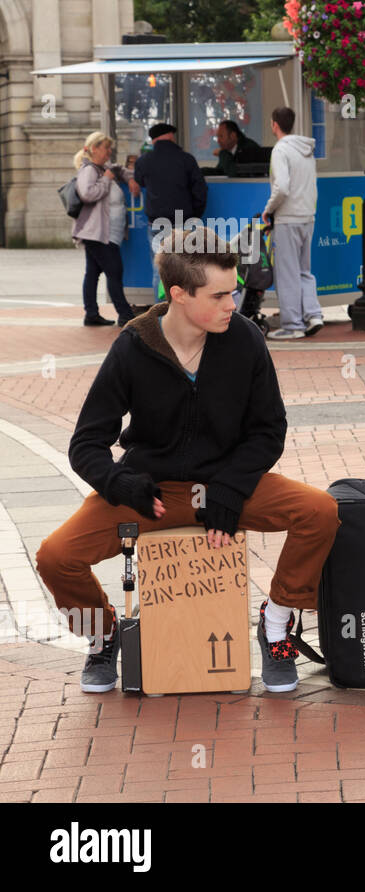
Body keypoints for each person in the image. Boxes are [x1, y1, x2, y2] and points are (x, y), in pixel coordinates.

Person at [35, 229, 340, 694]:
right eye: (219, 295)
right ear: (178, 294)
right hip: (149, 495)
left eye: (234, 291)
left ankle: (275, 624)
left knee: (320, 511)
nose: (231, 304)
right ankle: (104, 635)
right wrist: (121, 484)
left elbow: (268, 430)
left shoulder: (245, 340)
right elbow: (86, 443)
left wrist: (232, 487)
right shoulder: (133, 346)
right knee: (56, 557)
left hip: (224, 486)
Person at [263, 107, 324, 340]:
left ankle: (293, 325)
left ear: (274, 125)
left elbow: (282, 186)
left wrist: (269, 210)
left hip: (287, 218)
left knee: (287, 273)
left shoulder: (280, 150)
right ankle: (313, 314)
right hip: (307, 216)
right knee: (304, 271)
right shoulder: (306, 150)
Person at [71, 132, 136, 327]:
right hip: (97, 234)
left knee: (93, 272)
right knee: (114, 271)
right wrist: (107, 179)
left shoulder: (104, 168)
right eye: (106, 148)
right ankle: (125, 314)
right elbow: (87, 194)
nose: (110, 152)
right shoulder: (89, 170)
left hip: (104, 233)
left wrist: (129, 177)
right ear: (95, 149)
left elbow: (121, 171)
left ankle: (91, 314)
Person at [130, 123, 207, 242]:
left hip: (157, 222)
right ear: (171, 137)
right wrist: (194, 215)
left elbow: (140, 182)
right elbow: (200, 190)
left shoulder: (143, 161)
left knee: (160, 260)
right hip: (183, 221)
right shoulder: (186, 159)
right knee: (184, 260)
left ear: (153, 140)